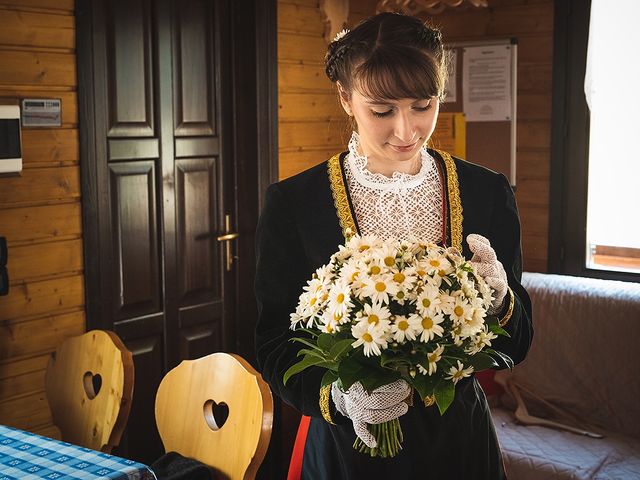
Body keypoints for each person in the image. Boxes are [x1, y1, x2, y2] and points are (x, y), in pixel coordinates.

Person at [254, 12, 533, 479]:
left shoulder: (487, 192)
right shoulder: (294, 203)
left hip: (459, 444)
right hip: (349, 449)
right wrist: (339, 397)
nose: (406, 132)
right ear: (345, 98)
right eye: (382, 110)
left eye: (423, 105)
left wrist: (503, 300)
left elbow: (518, 342)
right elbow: (273, 344)